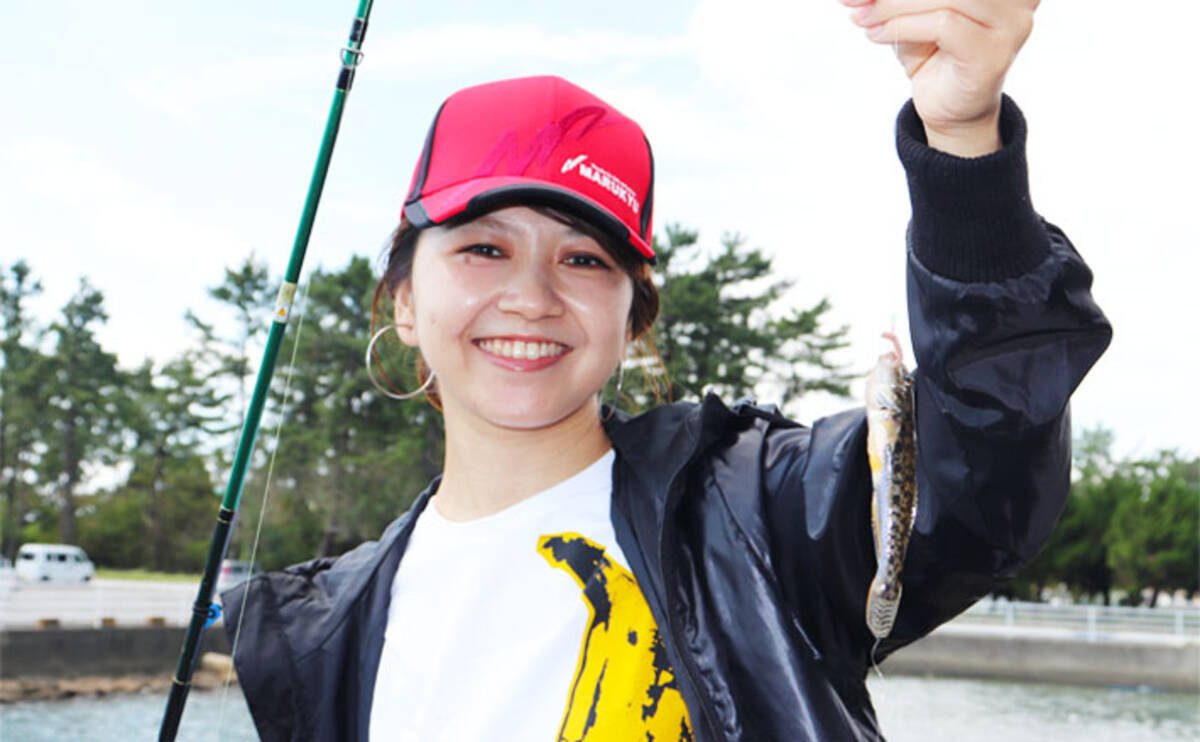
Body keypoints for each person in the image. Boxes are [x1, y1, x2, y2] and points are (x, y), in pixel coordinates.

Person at [223, 1, 1112, 740]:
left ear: (631, 321)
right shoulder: (319, 636)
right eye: (483, 249)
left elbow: (985, 461)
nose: (530, 297)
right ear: (404, 302)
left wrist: (962, 141)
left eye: (584, 260)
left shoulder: (759, 515)